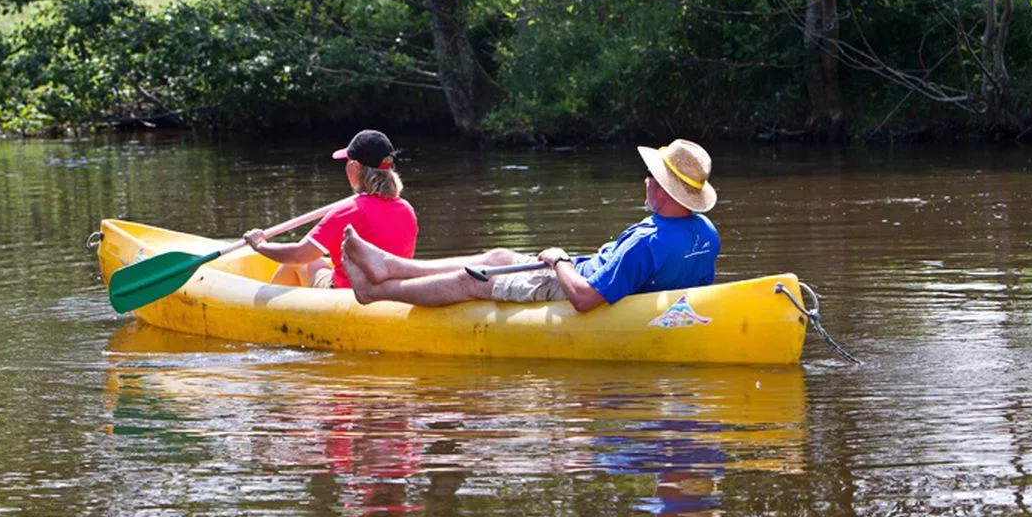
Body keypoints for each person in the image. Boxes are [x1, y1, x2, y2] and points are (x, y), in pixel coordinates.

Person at [341, 139, 719, 312]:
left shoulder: (647, 241)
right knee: (498, 255)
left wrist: (558, 261)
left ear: (665, 190)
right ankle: (390, 267)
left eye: (651, 177)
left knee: (473, 279)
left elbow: (586, 299)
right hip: (598, 279)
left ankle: (375, 293)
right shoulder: (706, 233)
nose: (646, 181)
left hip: (568, 284)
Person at [244, 129, 418, 288]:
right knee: (318, 262)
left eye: (347, 161)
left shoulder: (349, 210)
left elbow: (299, 255)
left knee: (295, 264)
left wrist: (260, 246)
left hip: (346, 296)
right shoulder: (406, 209)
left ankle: (270, 318)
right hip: (391, 293)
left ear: (354, 167)